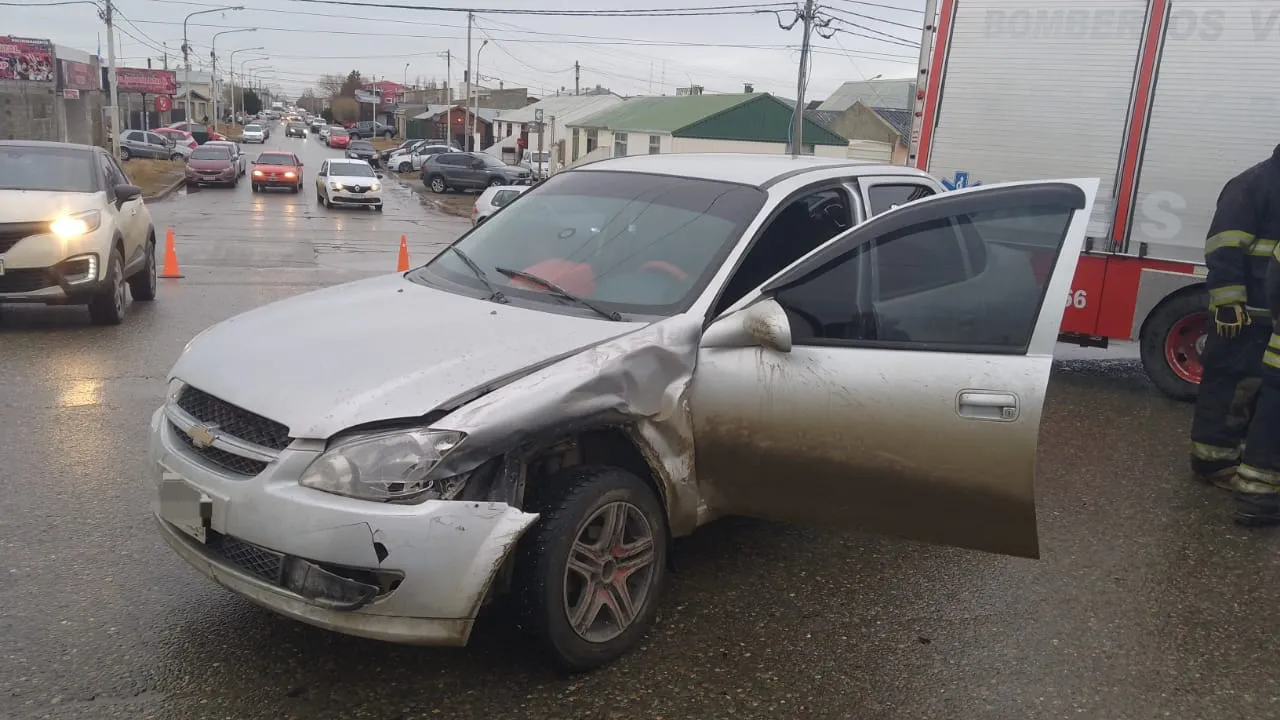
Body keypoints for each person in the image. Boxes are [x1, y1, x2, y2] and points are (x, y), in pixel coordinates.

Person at [1188, 146, 1280, 488]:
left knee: (1256, 390)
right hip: (1242, 314)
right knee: (1230, 385)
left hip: (1269, 314)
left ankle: (1237, 455)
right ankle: (1212, 462)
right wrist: (1228, 300)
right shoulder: (1253, 184)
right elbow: (1223, 244)